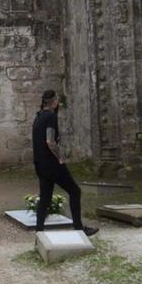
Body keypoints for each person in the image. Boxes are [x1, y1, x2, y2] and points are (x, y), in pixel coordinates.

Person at [32, 90, 97, 236]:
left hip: (40, 165)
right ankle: (79, 229)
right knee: (75, 191)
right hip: (52, 164)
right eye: (57, 101)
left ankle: (39, 232)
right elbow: (50, 141)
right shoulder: (50, 116)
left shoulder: (38, 117)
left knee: (45, 198)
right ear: (54, 101)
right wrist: (60, 157)